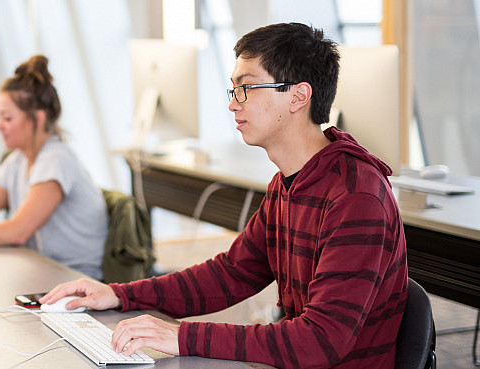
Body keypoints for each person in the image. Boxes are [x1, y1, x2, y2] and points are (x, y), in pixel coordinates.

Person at [41, 23, 408, 369]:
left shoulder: (355, 194)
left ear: (299, 95)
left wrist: (183, 336)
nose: (234, 103)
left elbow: (320, 341)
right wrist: (120, 295)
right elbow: (231, 274)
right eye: (233, 90)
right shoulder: (289, 183)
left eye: (246, 88)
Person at [0, 55, 107, 280]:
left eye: (7, 118)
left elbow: (18, 231)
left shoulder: (56, 160)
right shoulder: (18, 160)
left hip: (72, 278)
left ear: (38, 118)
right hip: (37, 268)